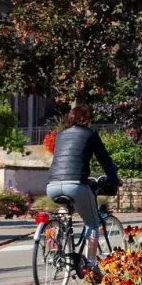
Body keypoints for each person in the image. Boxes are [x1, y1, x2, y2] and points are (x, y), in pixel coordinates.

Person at [45, 104, 119, 262]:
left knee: (64, 211)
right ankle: (91, 265)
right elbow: (104, 160)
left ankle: (54, 246)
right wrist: (114, 179)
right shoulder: (90, 134)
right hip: (76, 185)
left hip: (52, 185)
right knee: (92, 223)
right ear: (87, 119)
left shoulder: (60, 135)